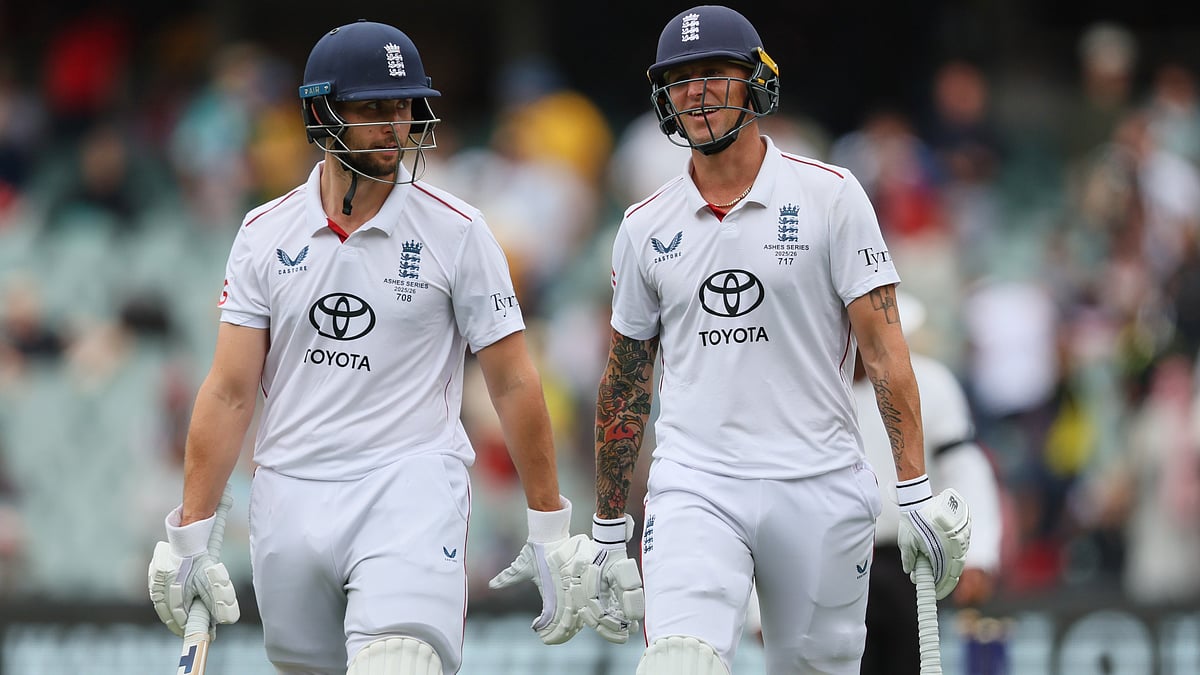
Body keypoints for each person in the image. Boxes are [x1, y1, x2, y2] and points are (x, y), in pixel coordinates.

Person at [146, 20, 593, 675]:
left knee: (398, 663)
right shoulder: (263, 233)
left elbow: (514, 380)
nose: (396, 125)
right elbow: (230, 391)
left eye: (405, 106)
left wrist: (549, 523)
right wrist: (190, 535)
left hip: (409, 487)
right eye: (374, 108)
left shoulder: (459, 231)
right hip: (289, 497)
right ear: (321, 115)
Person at [585, 6, 972, 674]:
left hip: (819, 481)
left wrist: (913, 493)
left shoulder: (831, 196)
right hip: (696, 483)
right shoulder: (644, 226)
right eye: (680, 79)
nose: (696, 93)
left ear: (756, 82)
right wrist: (606, 529)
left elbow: (885, 353)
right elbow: (625, 385)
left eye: (714, 73)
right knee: (678, 661)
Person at [856, 292, 1003, 675]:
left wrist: (978, 552)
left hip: (909, 562)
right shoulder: (817, 387)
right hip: (834, 563)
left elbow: (965, 469)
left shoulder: (931, 383)